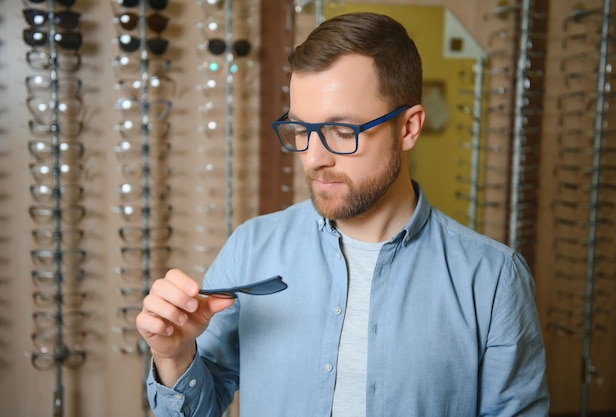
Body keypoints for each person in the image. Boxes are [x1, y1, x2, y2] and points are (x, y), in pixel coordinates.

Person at [136, 11, 550, 417]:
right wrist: (173, 356)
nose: (314, 158)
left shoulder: (493, 280)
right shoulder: (251, 247)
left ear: (408, 128)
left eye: (342, 131)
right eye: (301, 130)